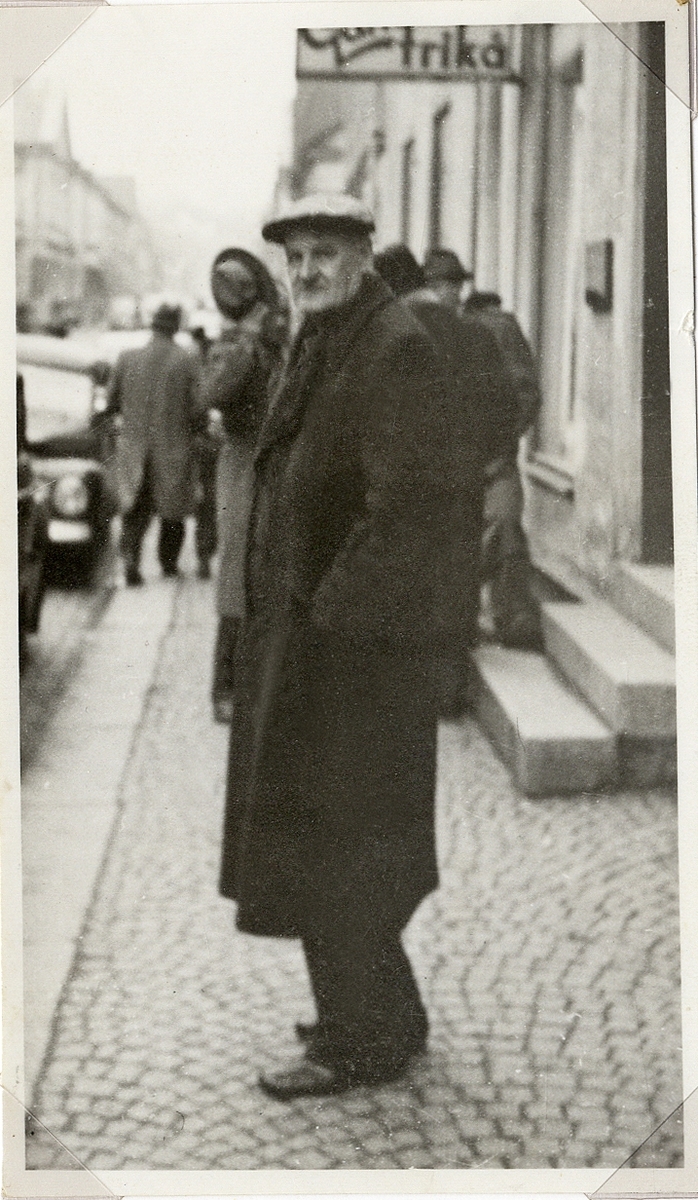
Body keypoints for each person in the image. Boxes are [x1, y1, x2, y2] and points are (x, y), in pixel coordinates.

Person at [218, 194, 489, 1100]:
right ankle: (387, 1018)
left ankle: (355, 1041)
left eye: (325, 254)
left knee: (340, 846)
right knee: (327, 842)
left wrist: (332, 624)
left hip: (352, 662)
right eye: (295, 258)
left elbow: (407, 512)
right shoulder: (333, 336)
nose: (307, 272)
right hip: (316, 648)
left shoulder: (392, 346)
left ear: (364, 254)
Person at [373, 245, 522, 685]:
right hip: (463, 478)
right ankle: (450, 685)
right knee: (457, 573)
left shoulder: (390, 336)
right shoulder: (475, 334)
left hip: (405, 482)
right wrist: (477, 458)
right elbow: (506, 407)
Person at [198, 249, 286, 724]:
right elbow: (210, 395)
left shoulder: (271, 340)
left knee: (270, 568)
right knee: (237, 571)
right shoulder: (236, 344)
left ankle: (259, 683)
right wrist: (247, 342)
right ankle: (226, 685)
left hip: (273, 459)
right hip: (241, 460)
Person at [462, 290, 544, 650]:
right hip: (482, 457)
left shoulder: (494, 328)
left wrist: (499, 441)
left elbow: (524, 394)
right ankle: (508, 617)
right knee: (498, 530)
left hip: (487, 457)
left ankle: (510, 616)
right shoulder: (477, 327)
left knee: (500, 528)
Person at [105, 303, 201, 586]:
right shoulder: (186, 361)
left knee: (134, 509)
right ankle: (168, 565)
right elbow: (198, 409)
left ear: (153, 324)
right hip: (173, 450)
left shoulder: (127, 358)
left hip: (134, 449)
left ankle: (130, 561)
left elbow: (111, 402)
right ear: (176, 326)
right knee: (173, 513)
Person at [189, 323, 220, 581]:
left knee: (206, 507)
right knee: (209, 505)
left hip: (205, 445)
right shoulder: (211, 370)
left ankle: (204, 556)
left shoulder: (199, 374)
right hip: (216, 445)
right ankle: (205, 556)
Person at [422, 246, 473, 311]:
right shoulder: (418, 309)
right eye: (452, 282)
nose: (457, 289)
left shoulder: (461, 310)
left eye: (459, 281)